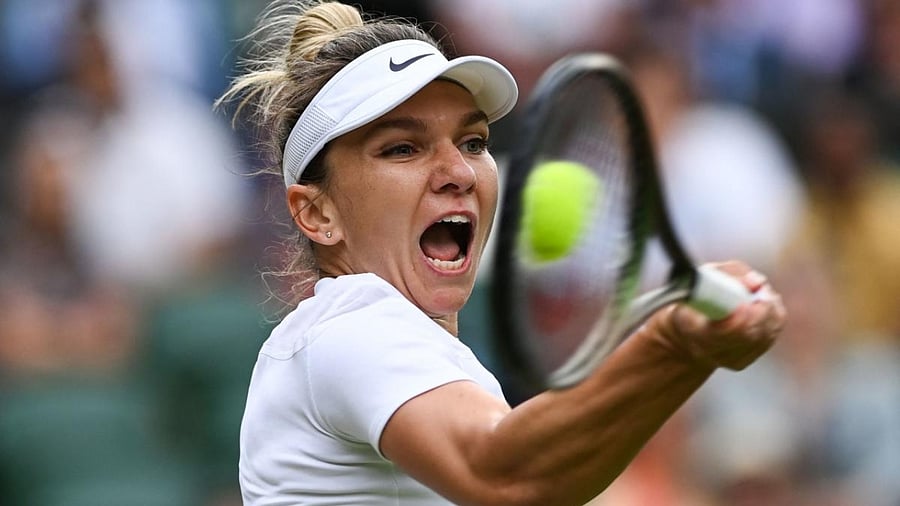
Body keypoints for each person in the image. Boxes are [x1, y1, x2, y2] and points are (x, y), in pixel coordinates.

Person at [217, 1, 786, 504]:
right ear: (317, 213)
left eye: (473, 142)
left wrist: (684, 349)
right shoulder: (350, 327)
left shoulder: (429, 361)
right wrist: (677, 344)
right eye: (403, 148)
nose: (458, 172)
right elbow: (505, 478)